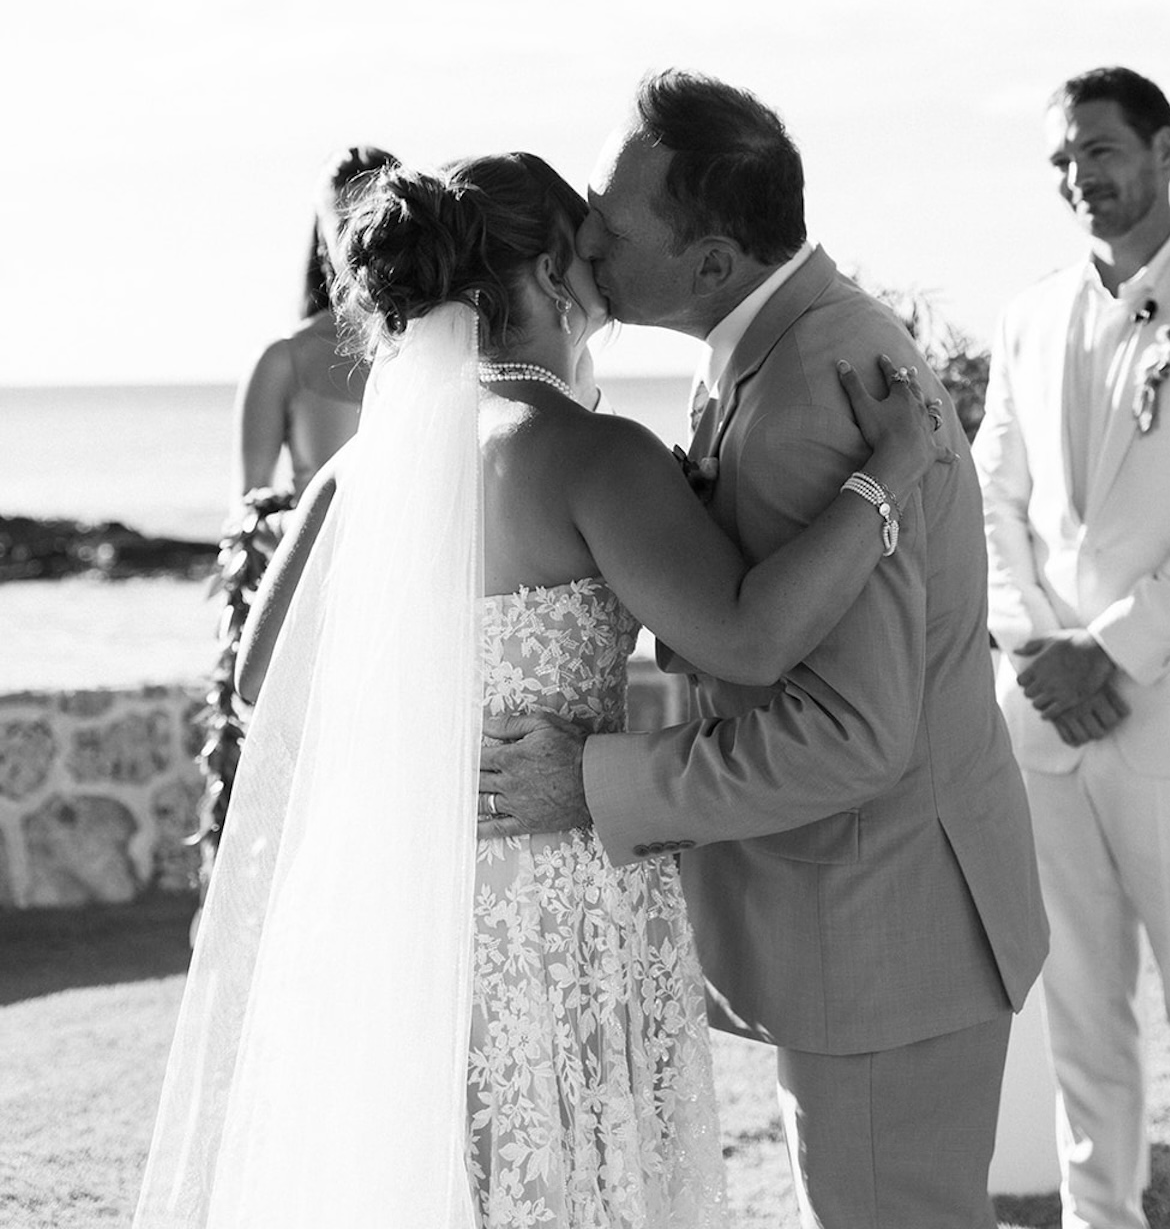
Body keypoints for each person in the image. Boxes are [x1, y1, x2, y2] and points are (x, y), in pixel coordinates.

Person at [133, 151, 950, 1229]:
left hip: (404, 903)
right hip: (552, 912)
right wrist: (879, 482)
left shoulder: (356, 471)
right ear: (555, 273)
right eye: (595, 262)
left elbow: (258, 680)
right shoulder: (589, 454)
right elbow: (749, 641)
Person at [483, 74, 1049, 1229]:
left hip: (886, 925)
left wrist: (592, 781)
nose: (582, 238)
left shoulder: (803, 393)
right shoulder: (775, 348)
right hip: (877, 916)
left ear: (711, 262)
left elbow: (851, 736)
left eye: (610, 221)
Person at [972, 66, 1170, 1229]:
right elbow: (987, 497)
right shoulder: (1024, 314)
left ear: (1161, 151)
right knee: (1079, 1015)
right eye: (1059, 158)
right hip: (1042, 721)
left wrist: (1106, 651)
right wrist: (1031, 648)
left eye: (1096, 151)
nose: (1076, 177)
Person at [232, 143, 399, 507]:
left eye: (375, 217)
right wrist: (283, 523)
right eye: (343, 223)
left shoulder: (446, 346)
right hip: (319, 563)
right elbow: (244, 517)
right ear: (322, 237)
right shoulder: (281, 360)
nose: (362, 237)